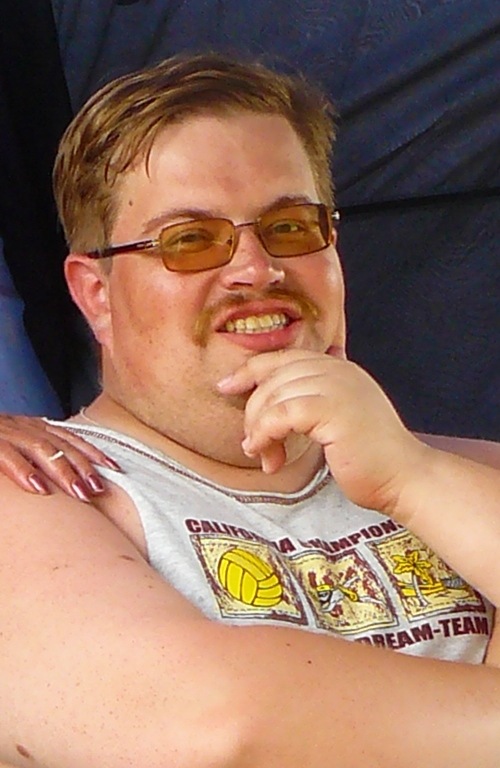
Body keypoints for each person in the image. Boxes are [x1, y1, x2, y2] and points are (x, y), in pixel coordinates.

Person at [1, 53, 500, 768]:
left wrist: (410, 477)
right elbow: (214, 728)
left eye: (291, 227)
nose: (256, 269)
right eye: (190, 240)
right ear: (96, 295)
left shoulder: (462, 472)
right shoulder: (35, 485)